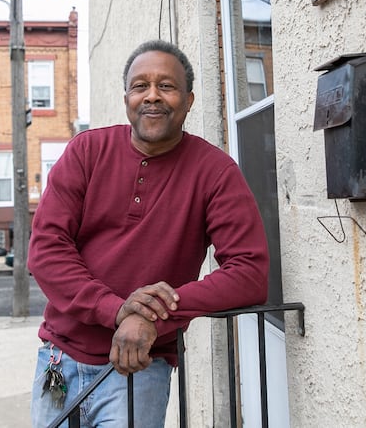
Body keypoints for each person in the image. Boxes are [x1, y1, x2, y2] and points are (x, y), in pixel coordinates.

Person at [28, 39, 270, 427]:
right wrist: (117, 309)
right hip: (59, 360)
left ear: (188, 100)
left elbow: (249, 273)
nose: (152, 96)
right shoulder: (85, 152)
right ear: (126, 98)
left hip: (141, 368)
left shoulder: (215, 172)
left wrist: (152, 319)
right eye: (140, 86)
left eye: (166, 86)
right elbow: (46, 251)